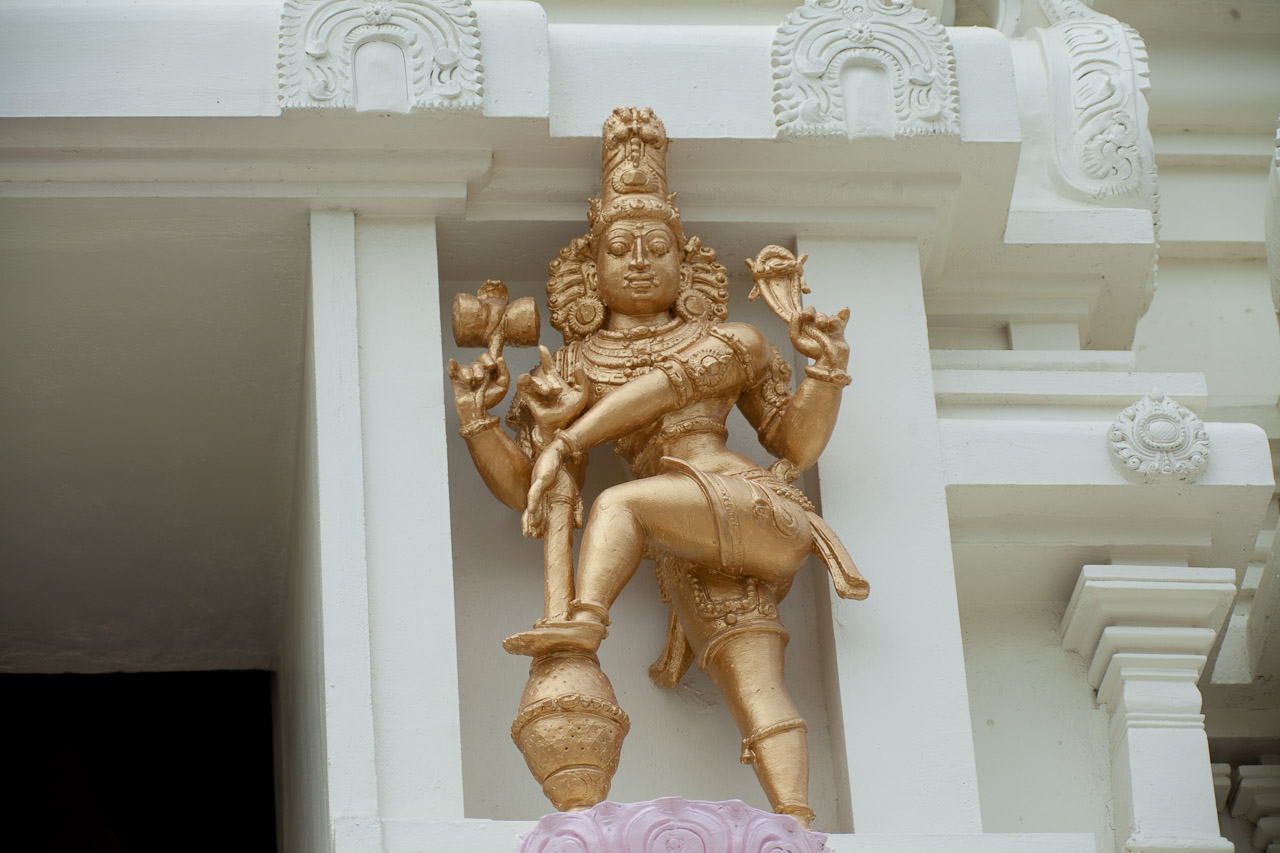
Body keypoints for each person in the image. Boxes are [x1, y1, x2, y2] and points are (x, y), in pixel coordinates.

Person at [448, 106, 866, 828]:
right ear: (591, 270)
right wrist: (479, 420)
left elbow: (791, 444)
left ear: (686, 264)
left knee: (620, 506)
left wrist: (824, 374)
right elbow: (531, 492)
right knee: (750, 674)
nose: (639, 260)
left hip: (749, 503)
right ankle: (795, 823)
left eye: (656, 248)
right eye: (620, 249)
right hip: (686, 540)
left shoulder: (729, 340)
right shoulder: (575, 365)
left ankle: (584, 622)